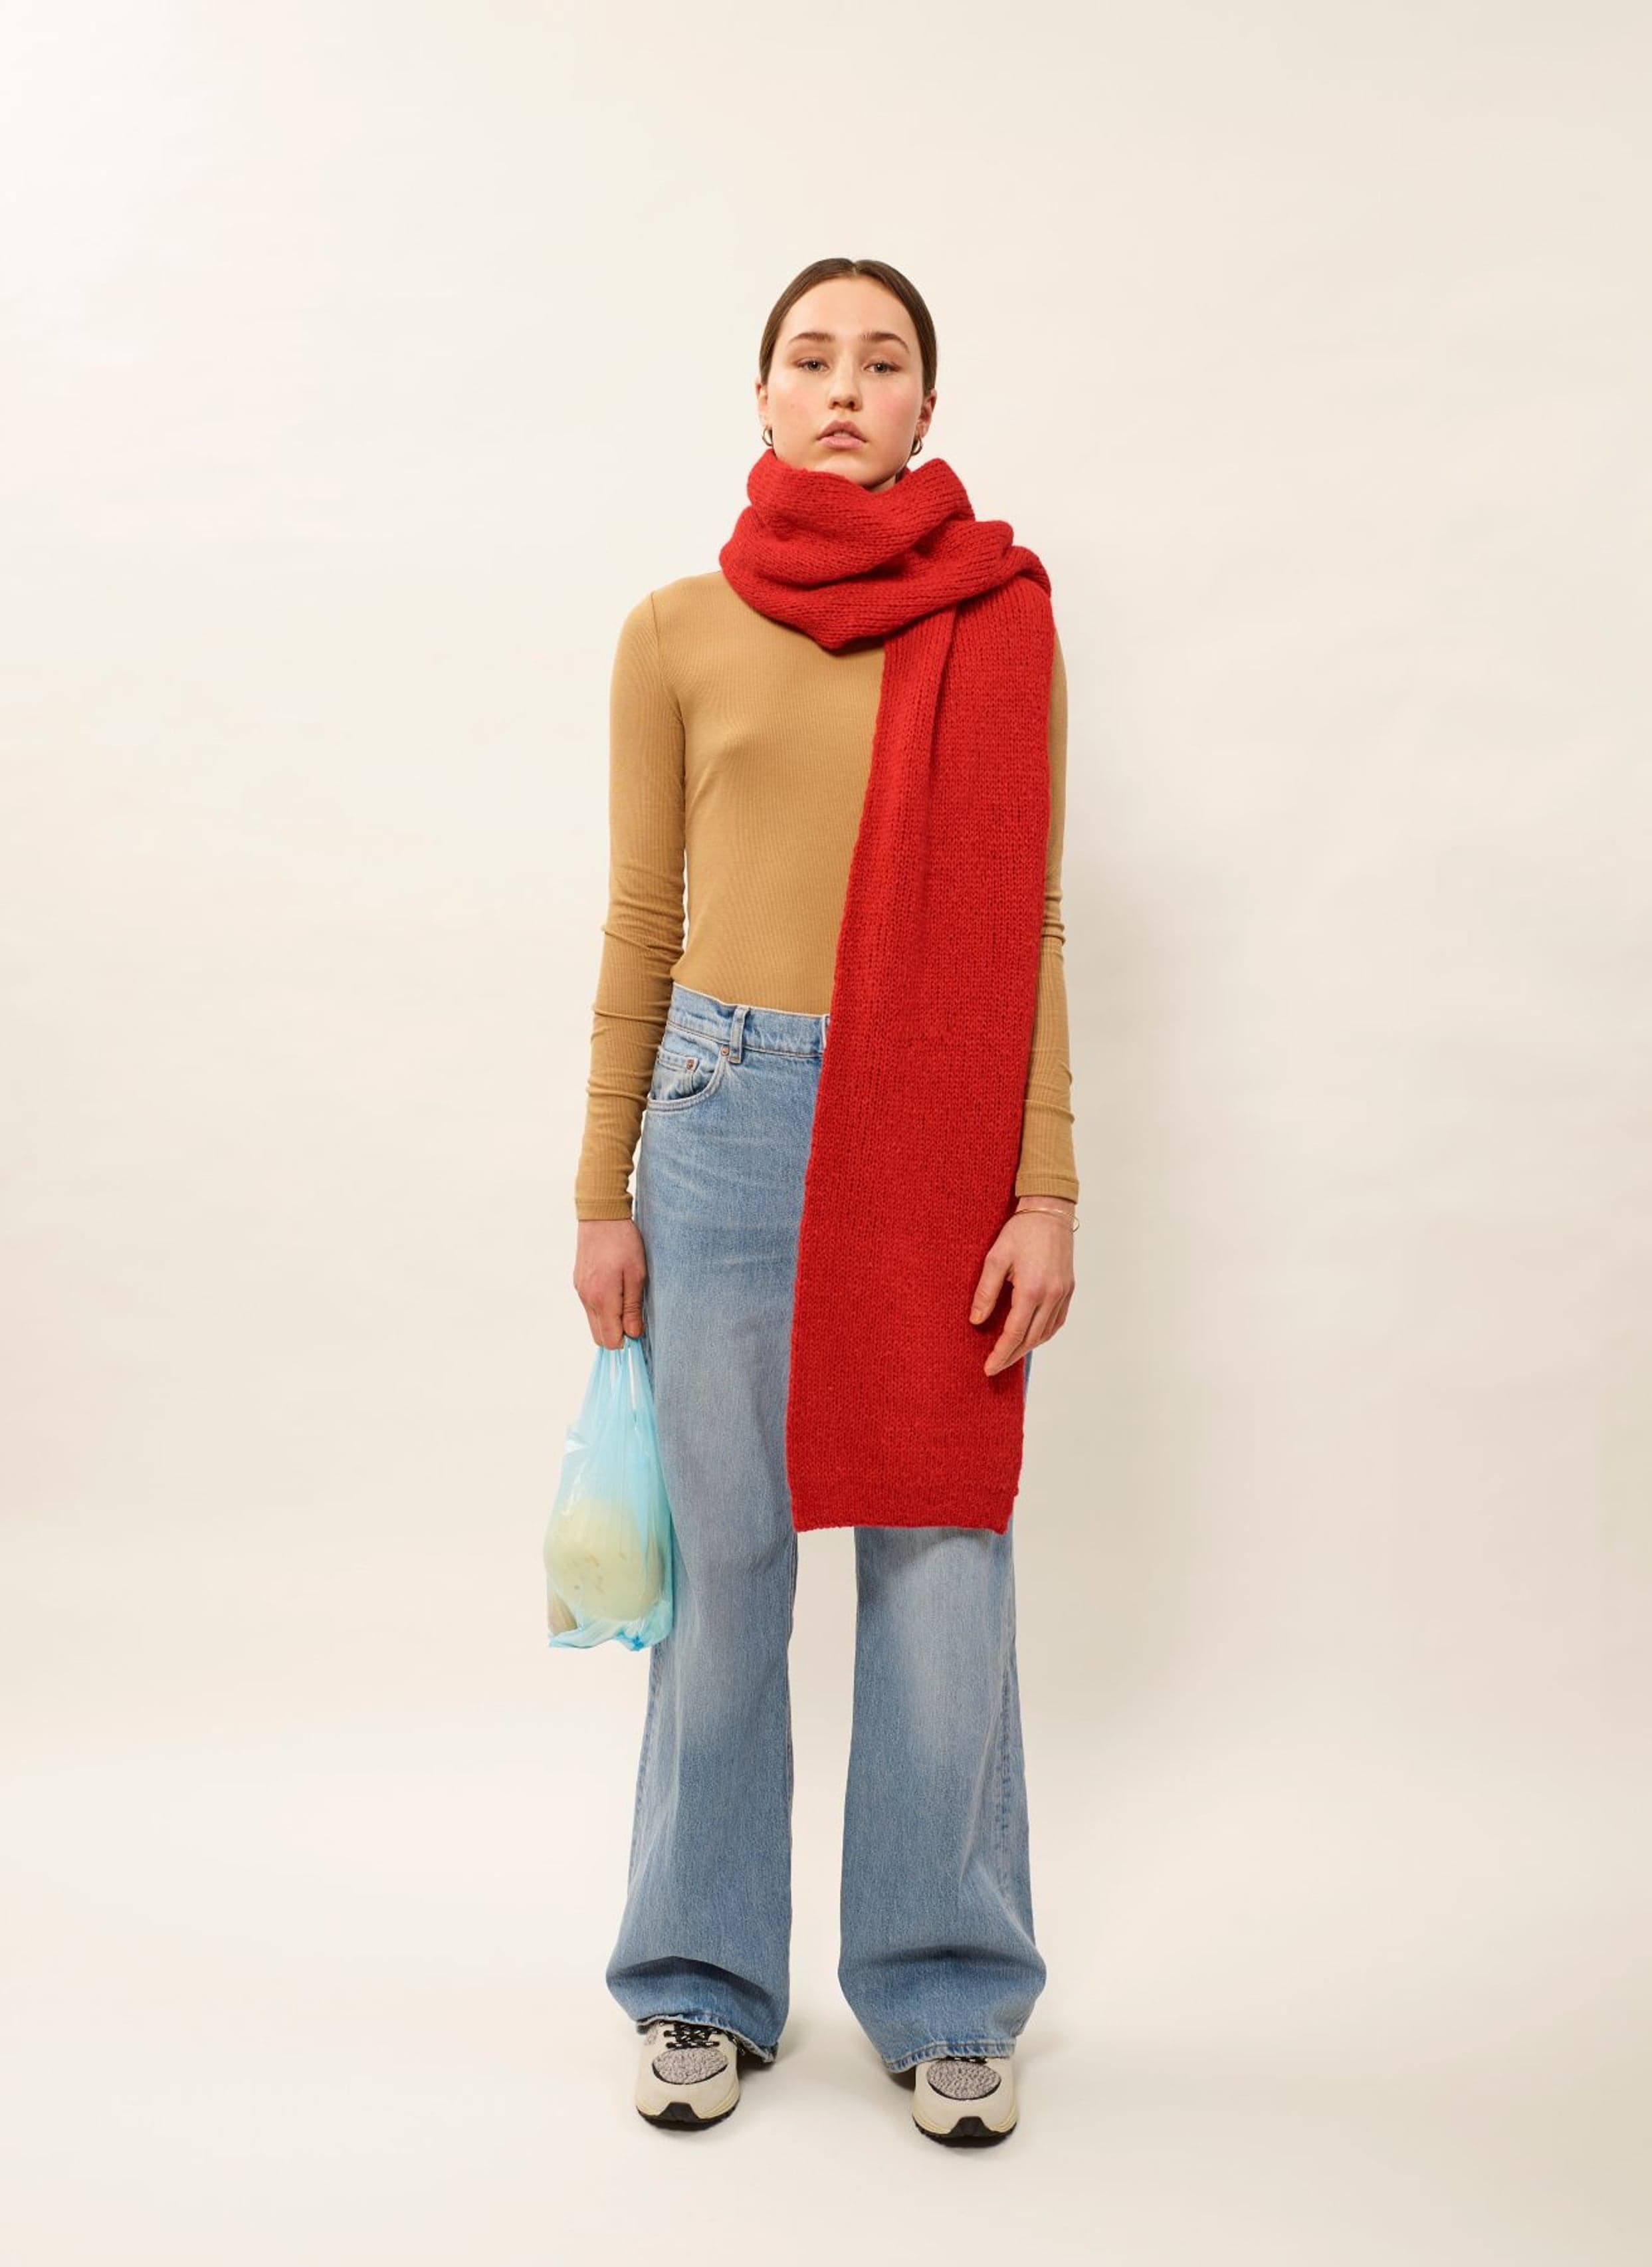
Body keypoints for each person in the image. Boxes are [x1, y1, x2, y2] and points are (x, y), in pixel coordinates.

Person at [571, 257, 1080, 2146]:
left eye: (884, 360)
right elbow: (642, 917)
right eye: (812, 357)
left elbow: (1029, 922)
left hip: (932, 1124)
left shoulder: (999, 625)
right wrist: (600, 1185)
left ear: (927, 407)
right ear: (765, 396)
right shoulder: (676, 631)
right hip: (721, 1119)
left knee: (943, 1558)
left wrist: (1046, 1182)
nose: (846, 385)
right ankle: (697, 1982)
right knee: (727, 1571)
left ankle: (948, 1987)